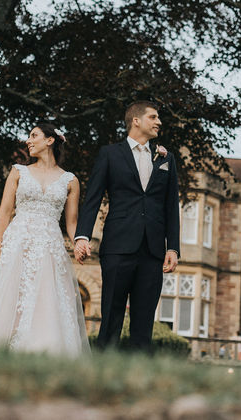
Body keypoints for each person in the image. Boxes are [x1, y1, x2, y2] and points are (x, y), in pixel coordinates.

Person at [0, 123, 91, 357]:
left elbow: (71, 224)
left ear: (50, 140)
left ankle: (39, 350)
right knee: (7, 294)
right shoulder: (18, 171)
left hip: (48, 246)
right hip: (17, 241)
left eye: (34, 136)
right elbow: (5, 211)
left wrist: (79, 242)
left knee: (45, 298)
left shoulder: (70, 181)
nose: (28, 141)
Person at [74, 101, 180, 352]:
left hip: (153, 250)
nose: (159, 122)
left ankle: (137, 375)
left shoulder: (167, 158)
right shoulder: (110, 154)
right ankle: (102, 373)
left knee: (143, 321)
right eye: (153, 117)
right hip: (118, 247)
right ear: (136, 120)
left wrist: (173, 248)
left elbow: (171, 207)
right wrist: (82, 236)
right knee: (111, 314)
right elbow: (93, 199)